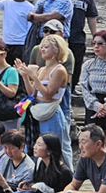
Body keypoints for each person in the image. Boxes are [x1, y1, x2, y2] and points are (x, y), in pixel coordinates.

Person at [22, 34, 72, 167]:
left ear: (56, 50)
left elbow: (49, 94)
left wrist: (35, 78)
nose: (42, 50)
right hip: (38, 108)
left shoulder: (59, 70)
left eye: (46, 47)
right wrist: (26, 77)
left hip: (51, 112)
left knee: (54, 147)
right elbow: (32, 93)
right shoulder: (42, 69)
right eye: (42, 47)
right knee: (39, 147)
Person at [64, 0, 99, 90]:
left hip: (78, 35)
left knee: (77, 62)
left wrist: (95, 35)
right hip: (62, 34)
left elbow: (91, 16)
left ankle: (72, 87)